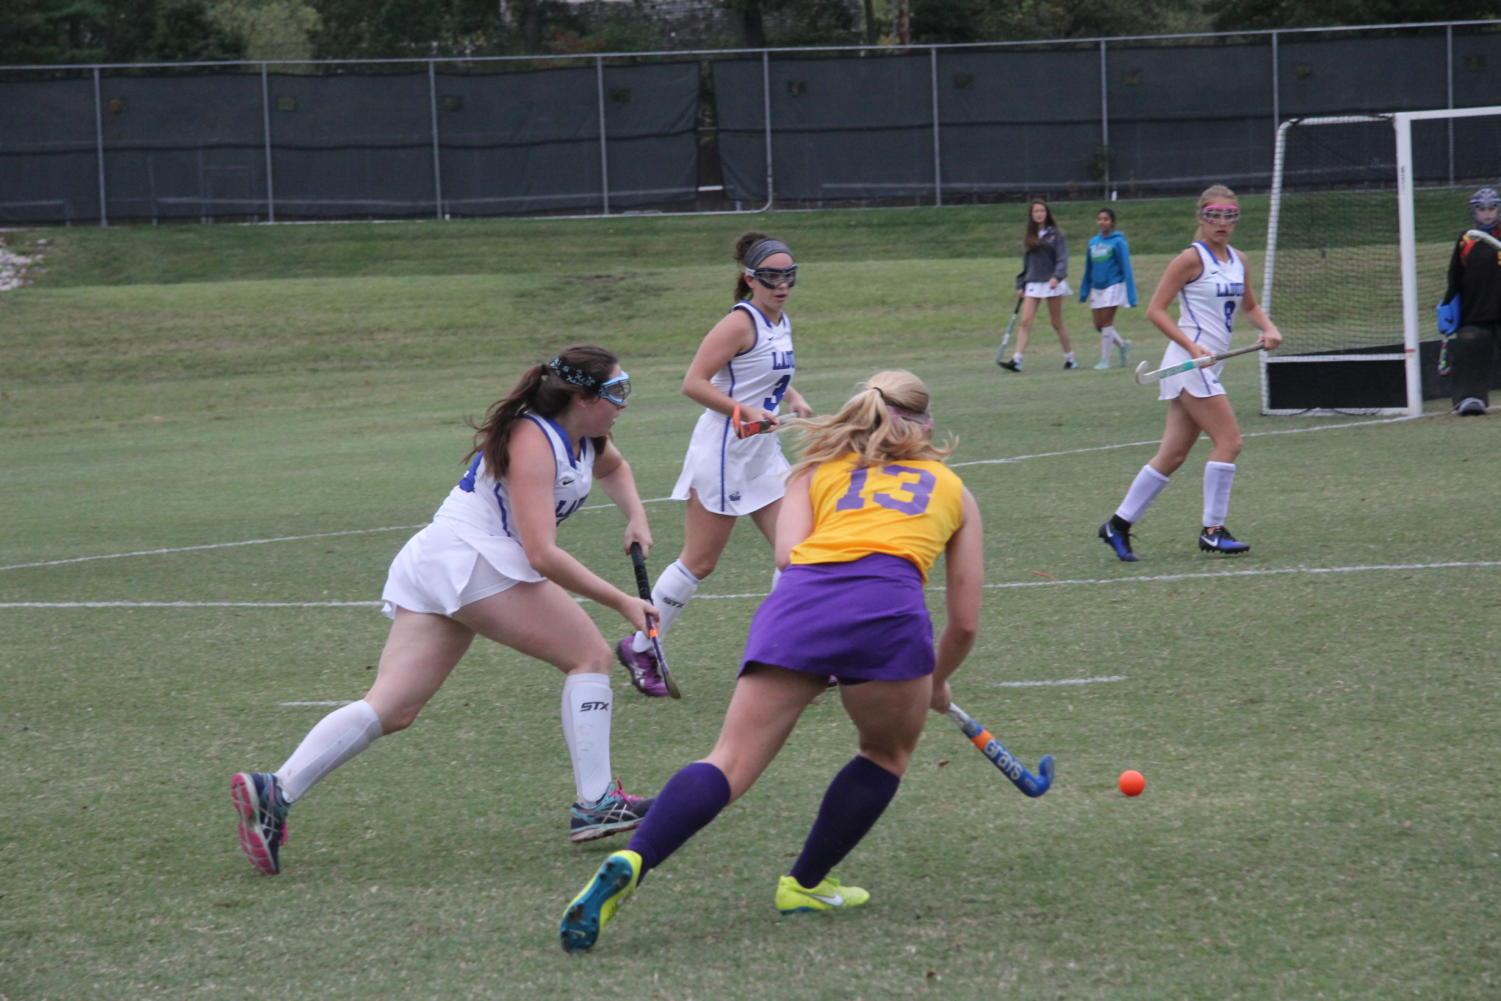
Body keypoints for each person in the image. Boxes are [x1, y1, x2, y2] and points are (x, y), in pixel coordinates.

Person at [558, 370, 985, 953]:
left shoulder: (811, 472)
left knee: (729, 760)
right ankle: (806, 883)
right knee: (884, 752)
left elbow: (788, 555)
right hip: (887, 617)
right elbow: (963, 622)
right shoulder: (952, 488)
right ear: (926, 423)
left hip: (800, 607)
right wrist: (935, 680)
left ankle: (635, 857)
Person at [230, 345, 659, 875]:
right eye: (616, 393)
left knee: (393, 708)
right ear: (580, 397)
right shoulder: (534, 441)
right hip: (472, 560)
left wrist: (636, 517)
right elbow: (541, 553)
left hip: (444, 561)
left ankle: (277, 789)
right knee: (590, 658)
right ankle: (596, 803)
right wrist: (621, 602)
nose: (623, 403)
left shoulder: (587, 437)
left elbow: (615, 468)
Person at [615, 232, 811, 697]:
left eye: (788, 276)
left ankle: (787, 652)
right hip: (724, 453)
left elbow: (772, 374)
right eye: (771, 277)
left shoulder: (780, 320)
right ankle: (641, 646)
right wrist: (744, 412)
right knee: (700, 561)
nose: (781, 285)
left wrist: (794, 398)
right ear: (750, 279)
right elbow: (693, 383)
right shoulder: (740, 323)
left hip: (763, 452)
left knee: (798, 553)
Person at [1097, 185, 1282, 561]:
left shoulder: (1239, 260)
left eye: (1230, 215)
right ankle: (1212, 531)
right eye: (1214, 215)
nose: (1223, 223)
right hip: (1188, 362)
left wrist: (1268, 328)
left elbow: (1249, 306)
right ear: (1201, 217)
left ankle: (1117, 524)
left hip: (1210, 364)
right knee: (1229, 441)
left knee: (1173, 454)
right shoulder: (1190, 259)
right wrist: (1193, 346)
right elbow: (1156, 310)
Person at [1439, 187, 1501, 416]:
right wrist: (1446, 307)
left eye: (1491, 208)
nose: (1487, 214)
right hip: (1475, 312)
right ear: (1474, 212)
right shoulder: (1467, 241)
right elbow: (1454, 276)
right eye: (1482, 209)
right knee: (1471, 347)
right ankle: (1470, 398)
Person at [999, 199, 1077, 371]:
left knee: (1056, 322)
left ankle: (1070, 357)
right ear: (1031, 215)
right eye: (1036, 211)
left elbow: (1062, 259)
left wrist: (1057, 276)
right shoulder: (1030, 237)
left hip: (1052, 283)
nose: (1039, 214)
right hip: (1033, 282)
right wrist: (1021, 284)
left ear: (1046, 213)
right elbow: (1027, 264)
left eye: (1042, 211)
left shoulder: (1056, 234)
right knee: (1025, 321)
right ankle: (1017, 360)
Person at [1078, 207, 1137, 370]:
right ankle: (1122, 345)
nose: (1102, 222)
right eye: (1099, 219)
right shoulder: (1093, 242)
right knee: (1098, 324)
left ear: (1112, 222)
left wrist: (1131, 295)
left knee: (1107, 322)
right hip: (1096, 287)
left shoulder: (1118, 242)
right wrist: (1084, 291)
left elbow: (1126, 268)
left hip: (1114, 285)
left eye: (1105, 219)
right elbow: (1088, 268)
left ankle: (1105, 360)